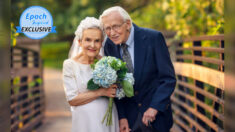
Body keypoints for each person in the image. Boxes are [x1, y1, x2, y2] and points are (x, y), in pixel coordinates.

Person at [100, 6, 176, 132]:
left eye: (116, 26)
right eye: (107, 28)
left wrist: (154, 107)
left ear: (128, 24)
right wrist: (122, 116)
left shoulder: (153, 38)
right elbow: (116, 84)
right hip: (130, 121)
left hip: (156, 118)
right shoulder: (109, 45)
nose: (112, 33)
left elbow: (168, 79)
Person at [62, 17, 119, 132]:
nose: (92, 45)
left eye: (97, 41)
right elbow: (72, 99)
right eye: (88, 40)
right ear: (79, 41)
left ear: (101, 43)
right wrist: (101, 92)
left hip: (108, 120)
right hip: (84, 122)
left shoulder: (107, 62)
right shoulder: (70, 65)